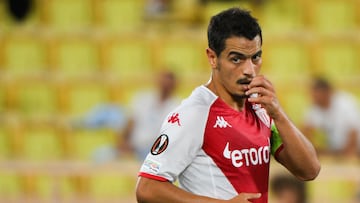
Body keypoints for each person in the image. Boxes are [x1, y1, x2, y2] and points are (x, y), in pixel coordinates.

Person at [136, 7, 320, 203]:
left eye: (255, 57)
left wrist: (279, 113)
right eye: (236, 59)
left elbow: (309, 170)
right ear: (213, 58)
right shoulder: (194, 114)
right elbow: (147, 189)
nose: (249, 70)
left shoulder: (260, 107)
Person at [121, 70, 180, 161]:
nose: (164, 86)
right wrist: (124, 142)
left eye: (167, 83)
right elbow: (130, 122)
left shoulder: (177, 107)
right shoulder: (142, 98)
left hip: (155, 151)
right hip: (134, 146)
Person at [303, 77, 360, 157]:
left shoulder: (346, 103)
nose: (312, 97)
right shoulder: (315, 107)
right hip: (333, 152)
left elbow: (354, 134)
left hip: (354, 152)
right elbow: (306, 132)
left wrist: (347, 158)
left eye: (315, 94)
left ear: (326, 92)